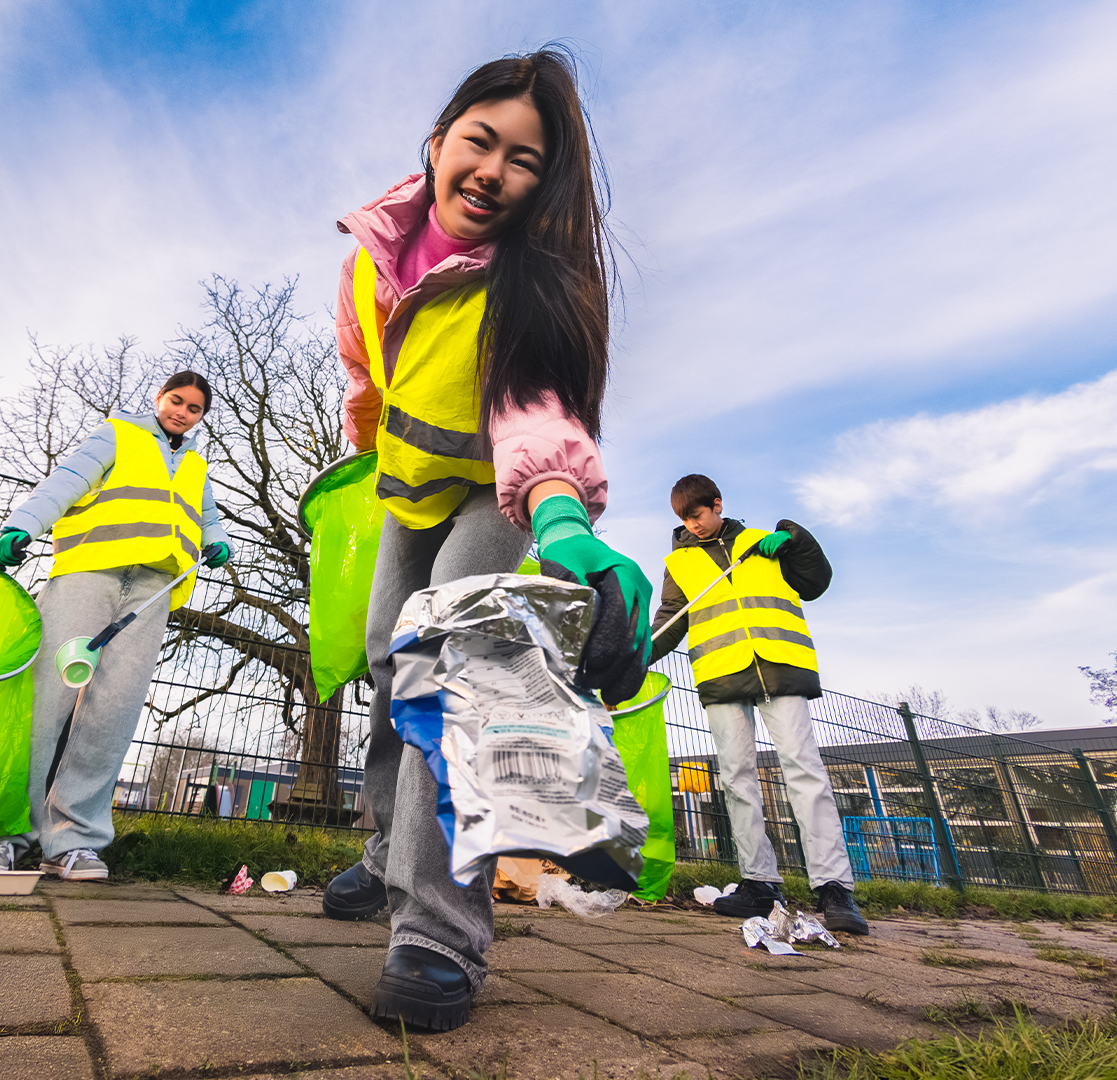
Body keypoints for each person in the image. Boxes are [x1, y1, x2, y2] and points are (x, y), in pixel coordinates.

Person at [318, 49, 652, 1032]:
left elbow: (537, 418)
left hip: (494, 499)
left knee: (451, 667)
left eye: (525, 161)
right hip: (405, 495)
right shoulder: (370, 258)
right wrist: (365, 431)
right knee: (388, 663)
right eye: (481, 139)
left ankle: (437, 935)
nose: (494, 169)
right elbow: (365, 364)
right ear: (437, 142)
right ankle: (388, 858)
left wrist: (559, 521)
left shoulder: (522, 284)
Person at [0, 372, 233, 881]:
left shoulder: (197, 465)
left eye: (194, 408)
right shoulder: (118, 434)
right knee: (45, 699)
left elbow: (206, 514)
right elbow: (66, 481)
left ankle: (73, 842)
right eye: (176, 401)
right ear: (159, 399)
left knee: (113, 711)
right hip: (90, 574)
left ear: (201, 417)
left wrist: (216, 540)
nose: (182, 412)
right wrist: (22, 524)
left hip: (152, 590)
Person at [651, 473, 868, 936]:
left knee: (804, 769)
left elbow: (815, 582)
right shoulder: (679, 562)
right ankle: (760, 884)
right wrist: (633, 658)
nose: (692, 525)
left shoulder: (762, 543)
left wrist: (794, 540)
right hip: (721, 675)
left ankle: (834, 889)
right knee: (736, 777)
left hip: (779, 666)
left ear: (717, 504)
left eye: (697, 515)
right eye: (683, 520)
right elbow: (671, 620)